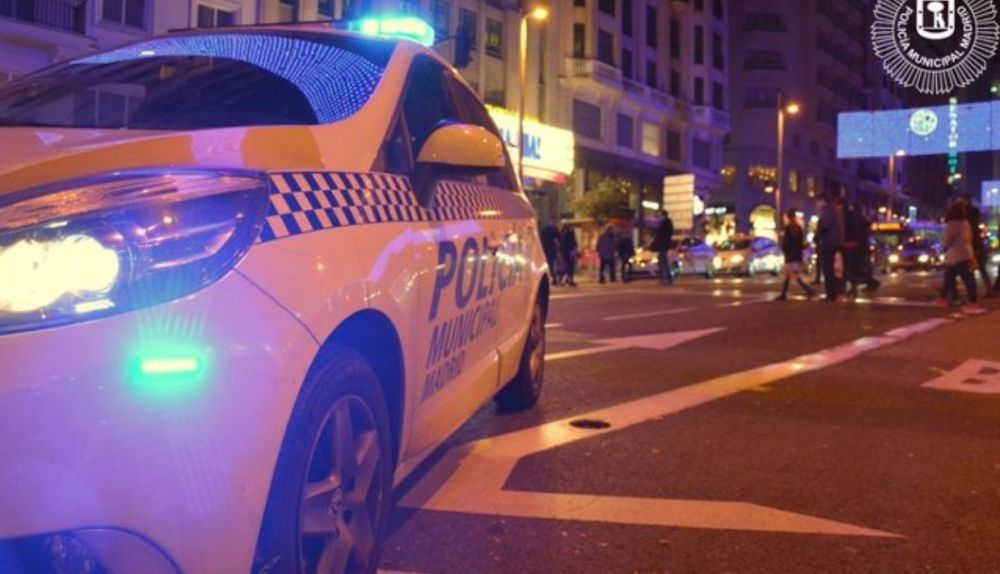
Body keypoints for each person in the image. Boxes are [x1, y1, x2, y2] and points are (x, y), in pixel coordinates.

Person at [936, 201, 985, 314]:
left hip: (955, 255)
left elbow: (947, 239)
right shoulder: (965, 223)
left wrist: (944, 247)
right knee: (967, 279)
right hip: (966, 253)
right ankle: (970, 300)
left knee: (950, 277)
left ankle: (945, 298)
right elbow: (970, 237)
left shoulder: (951, 224)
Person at [776, 208, 815, 301]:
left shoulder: (788, 229)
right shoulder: (798, 228)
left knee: (791, 275)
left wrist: (784, 249)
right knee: (791, 275)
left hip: (790, 254)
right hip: (797, 254)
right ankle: (785, 293)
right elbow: (800, 243)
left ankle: (807, 290)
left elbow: (786, 243)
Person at [816, 193, 845, 301]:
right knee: (832, 270)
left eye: (818, 201)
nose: (817, 204)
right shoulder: (834, 211)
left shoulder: (826, 211)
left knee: (828, 269)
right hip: (834, 243)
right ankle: (834, 291)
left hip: (828, 244)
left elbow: (825, 226)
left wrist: (818, 236)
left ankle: (831, 293)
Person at [968, 205, 992, 298]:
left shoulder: (971, 226)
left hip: (975, 250)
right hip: (978, 250)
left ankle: (973, 293)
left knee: (970, 272)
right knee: (981, 270)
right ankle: (988, 290)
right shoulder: (976, 226)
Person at [651, 210, 675, 285]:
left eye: (660, 215)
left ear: (663, 215)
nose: (659, 217)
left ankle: (665, 278)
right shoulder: (664, 223)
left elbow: (664, 234)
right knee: (662, 261)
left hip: (663, 245)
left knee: (662, 261)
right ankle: (666, 278)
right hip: (663, 245)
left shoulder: (666, 223)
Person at [540, 216, 561, 283]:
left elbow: (560, 238)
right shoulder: (546, 230)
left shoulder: (556, 230)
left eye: (554, 221)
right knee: (550, 264)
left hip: (554, 250)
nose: (553, 222)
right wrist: (553, 240)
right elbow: (544, 239)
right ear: (550, 221)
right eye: (552, 221)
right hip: (548, 250)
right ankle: (553, 278)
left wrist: (558, 242)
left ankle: (555, 277)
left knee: (555, 264)